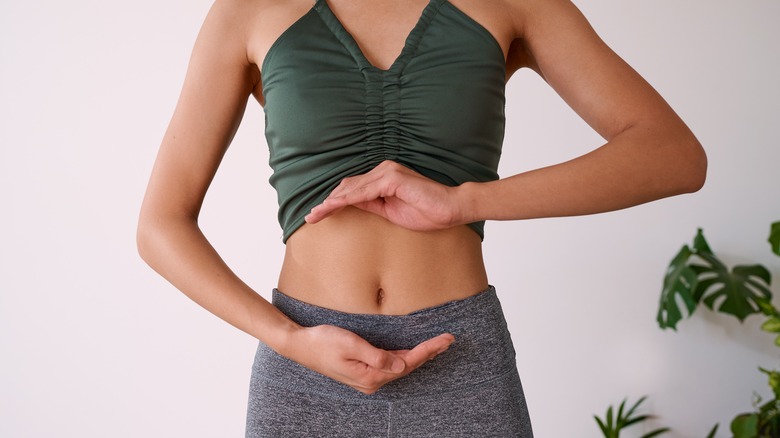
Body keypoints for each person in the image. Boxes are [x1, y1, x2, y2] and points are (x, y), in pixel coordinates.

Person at [137, 0, 707, 435]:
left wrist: (466, 202)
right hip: (306, 366)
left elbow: (672, 157)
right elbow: (161, 224)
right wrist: (288, 339)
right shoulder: (249, 10)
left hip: (460, 357)